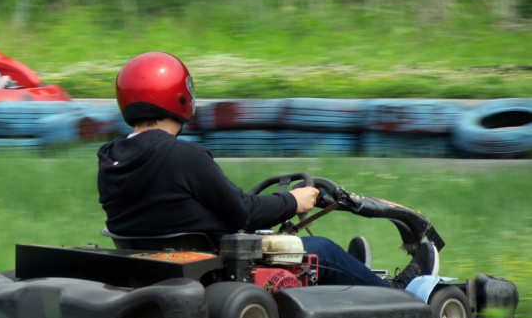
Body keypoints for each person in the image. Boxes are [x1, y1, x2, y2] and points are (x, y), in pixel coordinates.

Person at [97, 51, 438, 289]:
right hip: (215, 266)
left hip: (156, 263)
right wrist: (293, 201)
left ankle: (354, 275)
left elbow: (172, 209)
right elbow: (243, 213)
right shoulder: (186, 157)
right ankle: (395, 292)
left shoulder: (110, 159)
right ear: (179, 97)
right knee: (321, 248)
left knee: (290, 244)